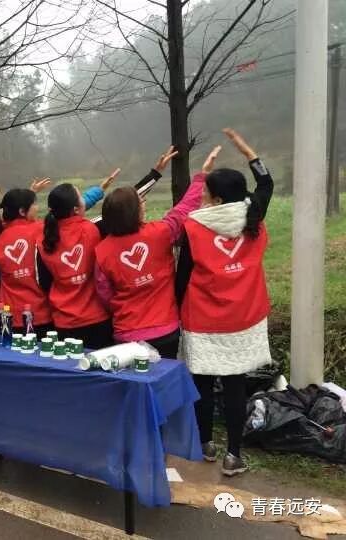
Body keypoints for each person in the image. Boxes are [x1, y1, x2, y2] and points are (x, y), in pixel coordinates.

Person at [176, 128, 274, 477]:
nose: (201, 196)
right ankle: (234, 455)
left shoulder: (193, 227)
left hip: (203, 318)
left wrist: (177, 310)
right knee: (235, 386)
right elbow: (266, 185)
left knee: (202, 383)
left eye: (205, 191)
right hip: (244, 318)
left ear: (216, 200)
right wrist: (248, 152)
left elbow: (183, 277)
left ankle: (205, 443)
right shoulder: (253, 218)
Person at [94, 145, 205, 358]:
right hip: (165, 329)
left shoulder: (102, 251)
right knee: (164, 376)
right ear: (133, 212)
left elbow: (105, 294)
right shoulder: (160, 233)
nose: (144, 204)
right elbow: (183, 210)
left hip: (126, 332)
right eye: (140, 203)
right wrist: (200, 180)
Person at [0, 177, 115, 336]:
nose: (37, 207)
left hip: (11, 317)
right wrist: (98, 192)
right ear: (22, 211)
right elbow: (66, 216)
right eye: (34, 204)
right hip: (42, 315)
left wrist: (27, 195)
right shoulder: (41, 231)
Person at [36, 184, 113, 349]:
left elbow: (44, 282)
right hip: (97, 318)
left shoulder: (43, 239)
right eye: (81, 197)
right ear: (76, 209)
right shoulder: (92, 229)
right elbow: (122, 209)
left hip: (63, 322)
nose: (84, 199)